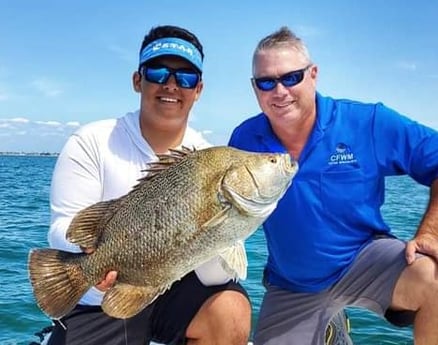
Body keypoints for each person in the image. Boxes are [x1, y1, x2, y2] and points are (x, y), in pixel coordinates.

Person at [228, 26, 438, 345]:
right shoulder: (244, 140)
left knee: (433, 277)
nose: (279, 91)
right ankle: (332, 329)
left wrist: (431, 233)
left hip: (365, 261)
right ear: (254, 88)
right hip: (291, 284)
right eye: (266, 82)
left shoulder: (367, 122)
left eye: (291, 77)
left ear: (313, 74)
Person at [43, 25, 251, 345]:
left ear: (198, 89)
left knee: (231, 309)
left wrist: (213, 233)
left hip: (168, 291)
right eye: (158, 72)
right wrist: (91, 257)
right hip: (98, 303)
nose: (171, 85)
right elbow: (64, 226)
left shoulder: (209, 159)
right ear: (138, 81)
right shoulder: (92, 141)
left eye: (185, 77)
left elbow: (214, 278)